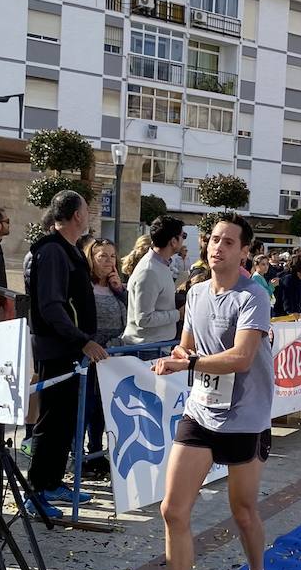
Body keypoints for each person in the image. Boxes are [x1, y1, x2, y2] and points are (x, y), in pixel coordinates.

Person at [135, 213, 275, 570]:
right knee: (173, 510)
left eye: (229, 242)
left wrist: (187, 363)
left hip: (245, 416)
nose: (218, 247)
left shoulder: (253, 297)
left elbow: (240, 358)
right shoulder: (195, 293)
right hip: (200, 411)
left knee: (243, 512)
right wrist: (178, 354)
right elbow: (189, 344)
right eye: (214, 239)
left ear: (244, 250)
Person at [24, 191, 108, 520]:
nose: (89, 215)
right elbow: (51, 306)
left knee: (64, 423)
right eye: (87, 209)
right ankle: (36, 491)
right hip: (58, 350)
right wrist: (81, 341)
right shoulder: (52, 252)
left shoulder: (67, 250)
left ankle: (53, 482)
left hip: (70, 352)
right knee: (51, 422)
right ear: (76, 215)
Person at [81, 237, 127, 483]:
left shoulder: (116, 286)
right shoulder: (85, 287)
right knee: (85, 407)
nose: (109, 261)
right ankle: (81, 458)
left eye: (112, 256)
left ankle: (96, 452)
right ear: (91, 259)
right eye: (102, 256)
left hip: (112, 357)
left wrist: (120, 290)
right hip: (88, 356)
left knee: (101, 408)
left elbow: (130, 314)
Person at [122, 216, 185, 349]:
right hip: (147, 349)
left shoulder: (160, 265)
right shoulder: (149, 270)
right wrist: (178, 314)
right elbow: (143, 318)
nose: (184, 241)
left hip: (155, 345)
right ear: (173, 241)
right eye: (183, 236)